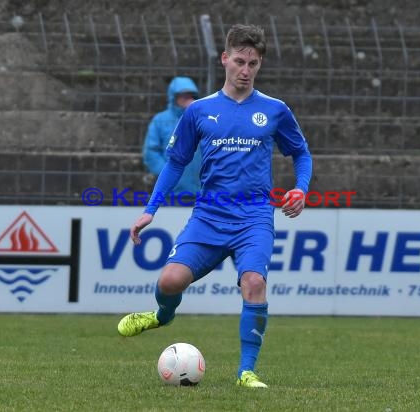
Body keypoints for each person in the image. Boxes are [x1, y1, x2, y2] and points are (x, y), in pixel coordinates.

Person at [118, 24, 312, 389]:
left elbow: (301, 153)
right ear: (224, 58)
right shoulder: (199, 111)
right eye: (239, 61)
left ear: (259, 64)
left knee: (254, 283)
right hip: (209, 215)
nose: (245, 70)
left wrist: (301, 189)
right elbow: (176, 162)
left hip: (254, 216)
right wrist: (150, 209)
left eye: (253, 63)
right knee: (170, 280)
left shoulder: (275, 110)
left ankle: (246, 372)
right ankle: (162, 315)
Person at [142, 76, 201, 195]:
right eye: (183, 96)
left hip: (199, 190)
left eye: (191, 96)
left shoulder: (201, 119)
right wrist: (168, 176)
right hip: (170, 191)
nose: (188, 99)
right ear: (173, 97)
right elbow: (150, 153)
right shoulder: (160, 120)